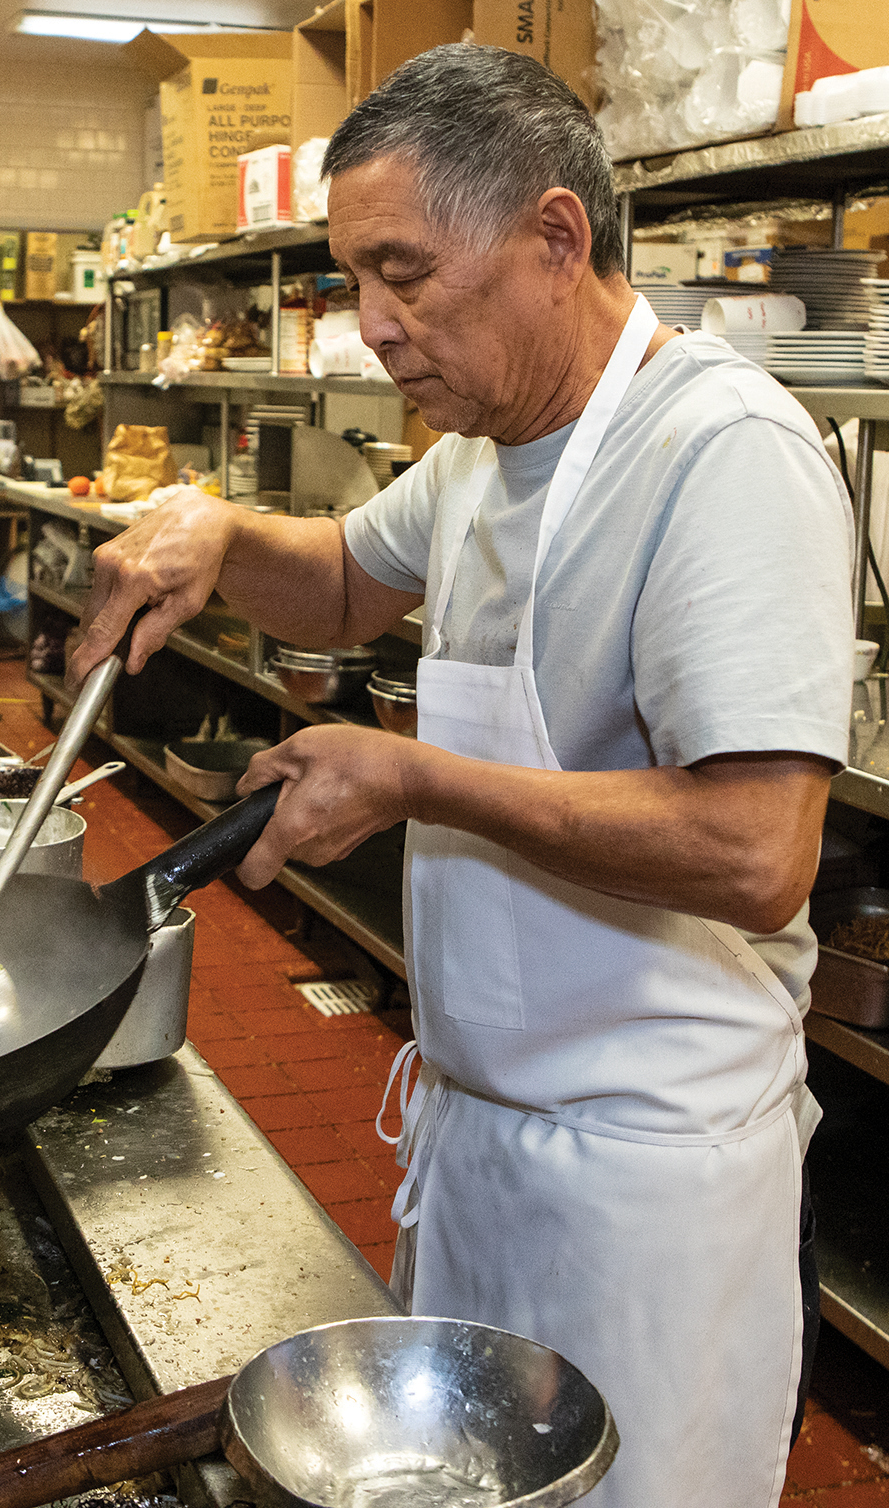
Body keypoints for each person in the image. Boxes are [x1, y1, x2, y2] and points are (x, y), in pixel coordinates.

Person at [70, 44, 853, 1508]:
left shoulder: (721, 451)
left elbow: (760, 850)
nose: (372, 328)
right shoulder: (490, 450)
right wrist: (218, 533)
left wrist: (419, 779)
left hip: (646, 1189)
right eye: (353, 279)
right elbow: (346, 587)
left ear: (556, 239)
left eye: (404, 275)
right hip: (480, 1142)